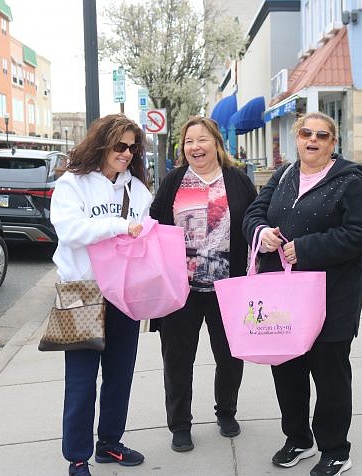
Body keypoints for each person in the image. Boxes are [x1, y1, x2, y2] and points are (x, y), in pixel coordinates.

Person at [242, 111, 362, 476]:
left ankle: (335, 449)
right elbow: (253, 213)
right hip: (284, 297)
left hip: (332, 297)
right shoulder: (284, 174)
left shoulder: (350, 181)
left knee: (329, 375)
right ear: (296, 139)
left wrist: (306, 248)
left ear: (333, 143)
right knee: (288, 371)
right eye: (306, 133)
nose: (312, 140)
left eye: (322, 135)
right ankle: (298, 438)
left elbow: (361, 233)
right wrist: (262, 232)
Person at [50, 114, 153, 476]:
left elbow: (146, 235)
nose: (126, 153)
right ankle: (77, 458)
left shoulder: (136, 190)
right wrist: (121, 226)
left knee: (120, 375)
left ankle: (109, 443)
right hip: (81, 292)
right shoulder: (72, 184)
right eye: (119, 146)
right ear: (102, 144)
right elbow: (70, 231)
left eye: (132, 148)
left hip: (124, 292)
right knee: (81, 382)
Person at [149, 116, 257, 453]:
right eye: (189, 141)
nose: (195, 147)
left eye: (202, 140)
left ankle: (226, 412)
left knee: (229, 356)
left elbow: (254, 222)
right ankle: (180, 424)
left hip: (228, 287)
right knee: (178, 359)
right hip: (183, 289)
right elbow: (153, 222)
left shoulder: (238, 182)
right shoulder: (173, 182)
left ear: (217, 143)